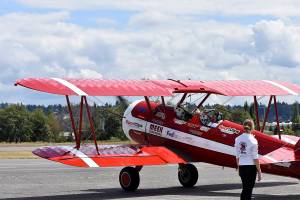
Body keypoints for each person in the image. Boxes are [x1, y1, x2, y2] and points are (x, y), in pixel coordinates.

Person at [235, 119, 262, 200]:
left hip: (242, 166)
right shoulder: (253, 140)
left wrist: (239, 168)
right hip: (251, 167)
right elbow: (255, 157)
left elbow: (237, 155)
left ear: (243, 126)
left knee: (245, 188)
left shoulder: (237, 139)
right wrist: (259, 171)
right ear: (252, 127)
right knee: (248, 190)